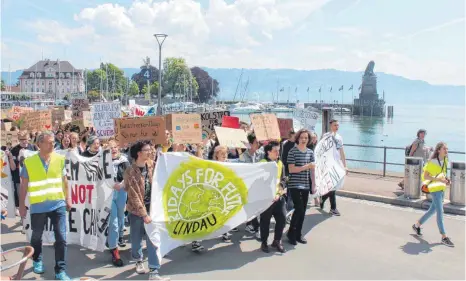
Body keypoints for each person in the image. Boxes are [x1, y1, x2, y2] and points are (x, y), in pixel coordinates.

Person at [19, 131, 72, 280]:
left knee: (61, 237)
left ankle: (60, 270)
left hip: (58, 204)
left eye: (53, 142)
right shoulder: (29, 162)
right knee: (36, 236)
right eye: (48, 142)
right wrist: (21, 205)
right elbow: (23, 185)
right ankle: (37, 260)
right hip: (38, 205)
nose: (52, 145)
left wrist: (68, 198)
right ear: (39, 144)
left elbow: (65, 181)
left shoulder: (60, 159)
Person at [124, 141, 167, 280]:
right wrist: (144, 214)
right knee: (136, 239)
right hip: (136, 211)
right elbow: (134, 195)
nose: (150, 152)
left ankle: (154, 271)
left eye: (150, 149)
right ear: (139, 153)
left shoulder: (152, 166)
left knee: (153, 239)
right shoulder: (130, 171)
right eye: (147, 150)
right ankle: (138, 260)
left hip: (152, 209)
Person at [412, 142, 454, 247]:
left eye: (447, 149)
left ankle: (417, 225)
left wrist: (447, 180)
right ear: (439, 150)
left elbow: (443, 174)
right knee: (440, 211)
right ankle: (444, 237)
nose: (446, 151)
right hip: (434, 189)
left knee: (432, 210)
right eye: (445, 149)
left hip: (441, 188)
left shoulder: (445, 160)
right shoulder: (432, 162)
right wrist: (437, 179)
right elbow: (425, 176)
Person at [286, 129, 315, 245]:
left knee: (302, 212)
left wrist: (314, 184)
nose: (304, 140)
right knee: (299, 209)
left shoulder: (310, 152)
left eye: (306, 138)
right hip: (294, 184)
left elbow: (313, 170)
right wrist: (306, 166)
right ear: (298, 138)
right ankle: (291, 233)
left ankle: (298, 233)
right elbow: (291, 169)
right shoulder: (292, 152)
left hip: (306, 185)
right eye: (302, 137)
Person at [259, 141, 287, 253]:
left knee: (282, 219)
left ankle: (277, 240)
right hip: (266, 199)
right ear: (268, 152)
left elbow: (284, 179)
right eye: (275, 151)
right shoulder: (262, 163)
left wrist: (279, 192)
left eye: (278, 151)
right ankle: (264, 242)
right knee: (265, 221)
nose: (278, 153)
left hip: (278, 197)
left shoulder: (280, 163)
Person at [106, 140, 130, 267]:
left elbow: (128, 176)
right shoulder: (103, 162)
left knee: (121, 218)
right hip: (108, 194)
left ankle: (118, 237)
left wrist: (121, 184)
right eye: (110, 148)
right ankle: (114, 250)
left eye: (115, 147)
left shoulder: (124, 160)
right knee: (113, 222)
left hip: (121, 192)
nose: (113, 150)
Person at [320, 120, 348, 216]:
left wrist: (345, 165)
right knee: (332, 186)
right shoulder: (326, 136)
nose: (337, 127)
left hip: (337, 164)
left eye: (338, 125)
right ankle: (333, 208)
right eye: (335, 125)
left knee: (334, 185)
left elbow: (341, 152)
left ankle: (323, 198)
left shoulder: (339, 137)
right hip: (328, 164)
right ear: (330, 126)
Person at [240, 133, 263, 237]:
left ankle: (253, 225)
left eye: (258, 142)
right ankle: (255, 227)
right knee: (251, 207)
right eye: (256, 142)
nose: (258, 144)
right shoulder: (243, 156)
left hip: (257, 186)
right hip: (247, 186)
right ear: (249, 144)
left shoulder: (260, 154)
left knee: (257, 207)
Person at [10, 131, 37, 217]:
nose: (24, 141)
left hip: (33, 179)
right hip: (19, 180)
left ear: (29, 139)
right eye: (22, 139)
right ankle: (24, 222)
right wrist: (10, 157)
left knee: (32, 200)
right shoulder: (14, 150)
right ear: (19, 139)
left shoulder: (33, 147)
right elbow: (13, 168)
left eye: (25, 139)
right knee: (22, 201)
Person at [213, 146, 237, 242]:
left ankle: (224, 231)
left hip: (226, 192)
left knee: (226, 212)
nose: (224, 155)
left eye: (225, 153)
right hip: (216, 192)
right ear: (216, 155)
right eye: (221, 153)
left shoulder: (230, 164)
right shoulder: (212, 164)